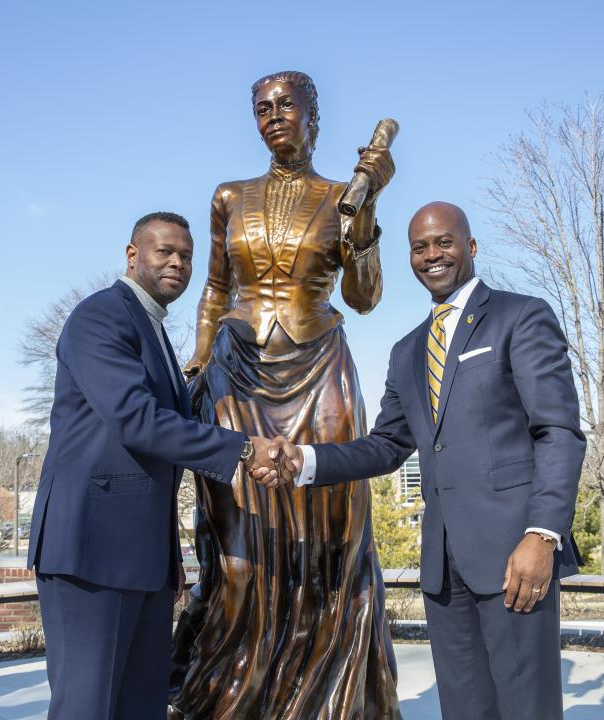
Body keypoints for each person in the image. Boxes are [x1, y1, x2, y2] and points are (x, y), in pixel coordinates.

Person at [267, 202, 586, 720]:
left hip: (513, 556)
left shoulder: (521, 316)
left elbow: (558, 432)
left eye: (445, 242)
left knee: (526, 708)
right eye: (420, 247)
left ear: (471, 247)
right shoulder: (407, 350)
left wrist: (542, 534)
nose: (432, 255)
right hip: (442, 566)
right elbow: (387, 446)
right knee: (463, 709)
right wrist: (303, 459)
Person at [168, 71, 400, 719]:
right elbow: (215, 288)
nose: (272, 117)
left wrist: (371, 205)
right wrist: (197, 362)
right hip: (235, 371)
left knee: (330, 539)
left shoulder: (341, 196)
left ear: (312, 116)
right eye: (261, 108)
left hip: (319, 366)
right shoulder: (229, 196)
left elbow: (365, 296)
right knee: (238, 543)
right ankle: (229, 690)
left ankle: (325, 694)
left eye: (285, 106)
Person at [26, 212, 291, 720]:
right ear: (132, 255)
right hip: (91, 551)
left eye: (186, 256)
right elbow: (137, 419)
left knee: (141, 706)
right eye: (164, 251)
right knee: (88, 707)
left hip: (143, 558)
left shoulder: (155, 331)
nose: (177, 263)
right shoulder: (100, 316)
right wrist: (242, 449)